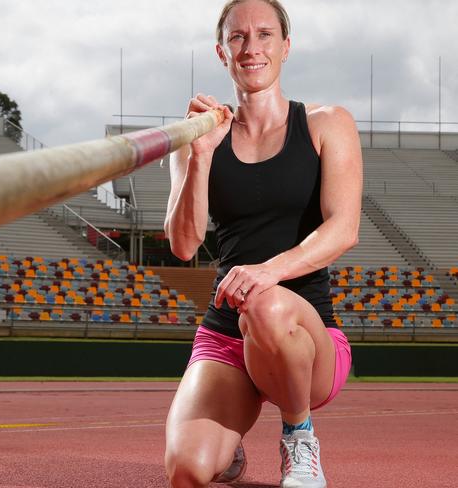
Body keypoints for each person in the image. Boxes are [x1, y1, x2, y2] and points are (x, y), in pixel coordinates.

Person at [163, 1, 362, 487]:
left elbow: (344, 229)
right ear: (221, 52)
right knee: (187, 471)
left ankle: (299, 435)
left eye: (265, 35)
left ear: (285, 47)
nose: (252, 47)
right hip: (228, 335)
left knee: (266, 304)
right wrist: (202, 158)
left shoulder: (326, 123)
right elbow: (184, 245)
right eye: (238, 37)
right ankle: (227, 450)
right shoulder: (195, 138)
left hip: (306, 340)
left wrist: (268, 272)